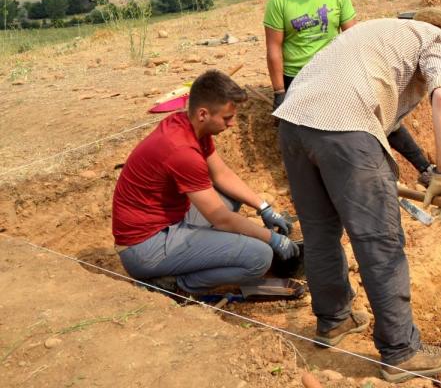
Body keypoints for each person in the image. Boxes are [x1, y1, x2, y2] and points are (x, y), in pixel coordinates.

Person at [273, 9, 441, 382]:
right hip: (345, 127)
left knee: (319, 233)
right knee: (379, 241)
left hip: (293, 123)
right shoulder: (439, 42)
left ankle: (334, 320)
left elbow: (391, 126)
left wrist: (424, 166)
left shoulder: (384, 36)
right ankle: (401, 351)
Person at [112, 70, 301, 297]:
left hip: (166, 223)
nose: (231, 124)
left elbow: (222, 175)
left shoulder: (189, 126)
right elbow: (221, 219)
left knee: (230, 196)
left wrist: (264, 207)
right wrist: (272, 239)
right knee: (260, 256)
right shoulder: (181, 151)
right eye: (227, 118)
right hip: (145, 248)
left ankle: (198, 256)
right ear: (203, 113)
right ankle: (177, 285)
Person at [264, 0, 433, 185]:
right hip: (299, 77)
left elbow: (353, 36)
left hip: (335, 68)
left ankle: (425, 167)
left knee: (378, 112)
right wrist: (280, 92)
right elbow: (274, 49)